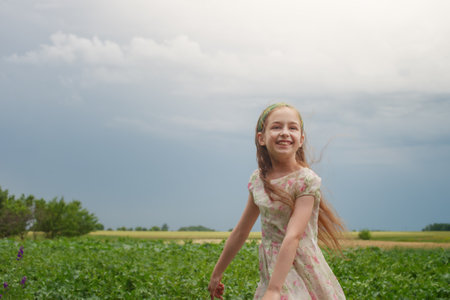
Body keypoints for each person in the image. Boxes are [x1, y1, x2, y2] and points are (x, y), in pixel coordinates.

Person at [208, 103, 346, 300]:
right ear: (261, 138)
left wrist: (274, 289)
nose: (284, 133)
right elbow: (241, 231)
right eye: (276, 127)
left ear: (301, 139)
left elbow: (294, 236)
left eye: (292, 128)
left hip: (301, 270)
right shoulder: (259, 180)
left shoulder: (306, 181)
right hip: (272, 271)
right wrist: (217, 273)